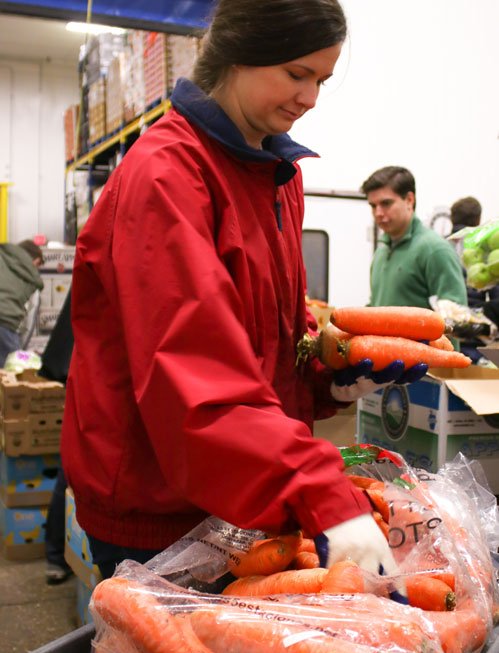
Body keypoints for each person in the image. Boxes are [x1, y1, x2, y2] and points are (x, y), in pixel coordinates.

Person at [61, 0, 428, 584]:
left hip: (235, 491)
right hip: (159, 500)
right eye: (297, 74)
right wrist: (316, 488)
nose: (310, 97)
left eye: (322, 80)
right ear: (239, 52)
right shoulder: (168, 174)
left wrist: (324, 376)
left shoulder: (276, 174)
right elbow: (192, 371)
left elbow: (265, 334)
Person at [361, 166, 467, 319]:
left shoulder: (435, 250)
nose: (378, 213)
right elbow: (376, 307)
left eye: (386, 203)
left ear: (409, 200)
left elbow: (455, 320)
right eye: (373, 206)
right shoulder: (381, 251)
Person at [38, 289, 74, 584]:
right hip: (92, 379)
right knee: (71, 470)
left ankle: (57, 556)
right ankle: (56, 555)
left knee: (71, 468)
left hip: (79, 370)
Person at [449, 196, 499, 362]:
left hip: (448, 328)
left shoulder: (440, 246)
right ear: (478, 219)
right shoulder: (485, 250)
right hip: (475, 332)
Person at [0, 239, 44, 367]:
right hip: (5, 326)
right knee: (11, 377)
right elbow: (28, 325)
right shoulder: (32, 280)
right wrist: (20, 351)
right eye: (39, 264)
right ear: (35, 260)